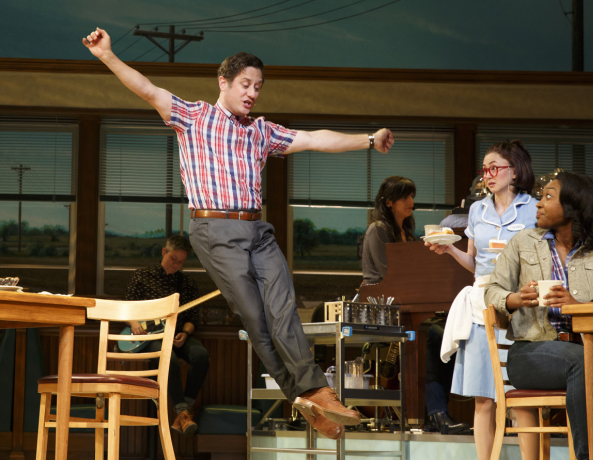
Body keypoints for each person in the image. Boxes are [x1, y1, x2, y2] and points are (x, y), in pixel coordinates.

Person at [83, 28, 394, 439]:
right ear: (223, 82)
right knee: (257, 321)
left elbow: (316, 139)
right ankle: (307, 399)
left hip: (257, 229)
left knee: (284, 309)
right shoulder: (193, 117)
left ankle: (317, 393)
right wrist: (107, 56)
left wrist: (368, 140)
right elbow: (147, 89)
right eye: (245, 85)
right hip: (213, 229)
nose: (252, 93)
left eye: (258, 87)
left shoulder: (261, 131)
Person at [485, 172, 593, 460]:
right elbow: (491, 290)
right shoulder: (523, 242)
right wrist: (514, 299)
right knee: (582, 363)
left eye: (548, 196)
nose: (538, 203)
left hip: (587, 347)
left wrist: (584, 304)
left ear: (574, 205)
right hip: (530, 352)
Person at [426, 141, 537, 459]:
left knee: (520, 396)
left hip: (520, 303)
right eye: (484, 169)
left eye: (495, 168)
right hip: (482, 304)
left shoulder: (533, 208)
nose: (488, 174)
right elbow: (475, 262)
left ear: (514, 171)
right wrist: (450, 249)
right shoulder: (477, 210)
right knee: (483, 397)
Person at [362, 175, 470, 434]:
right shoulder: (378, 229)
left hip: (405, 303)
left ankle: (437, 412)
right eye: (405, 197)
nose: (411, 201)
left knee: (446, 333)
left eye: (412, 196)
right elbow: (386, 274)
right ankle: (437, 414)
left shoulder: (407, 232)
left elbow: (413, 276)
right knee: (430, 335)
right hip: (381, 307)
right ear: (389, 203)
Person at [125, 236, 209, 436]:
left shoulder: (186, 283)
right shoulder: (141, 276)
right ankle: (183, 413)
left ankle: (184, 411)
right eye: (173, 259)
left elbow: (192, 317)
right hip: (151, 336)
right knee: (167, 358)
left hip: (177, 334)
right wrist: (135, 325)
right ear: (164, 252)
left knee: (201, 355)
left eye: (181, 261)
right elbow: (127, 307)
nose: (177, 265)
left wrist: (185, 333)